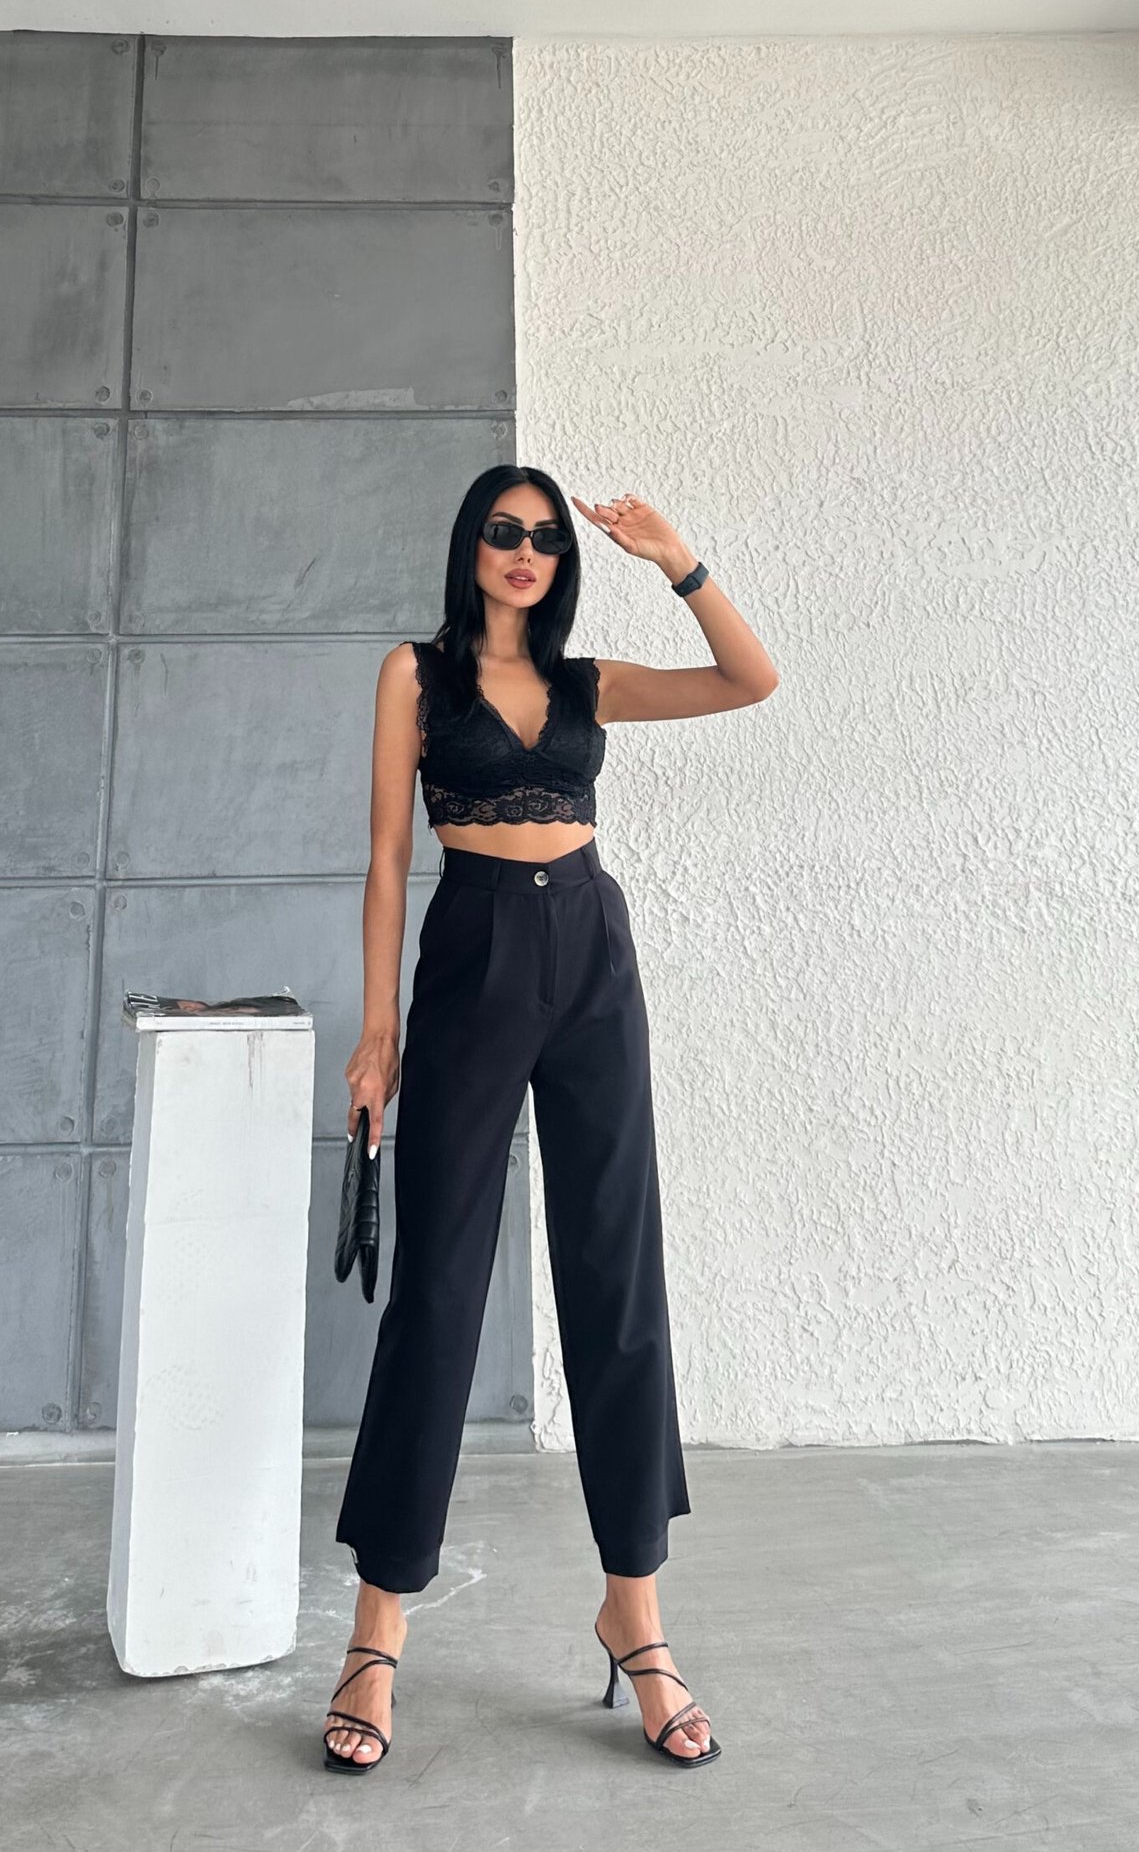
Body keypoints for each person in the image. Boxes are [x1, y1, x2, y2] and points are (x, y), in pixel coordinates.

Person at [321, 465, 779, 1773]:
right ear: (469, 546)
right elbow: (388, 858)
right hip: (471, 957)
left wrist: (678, 560)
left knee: (615, 1281)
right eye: (501, 531)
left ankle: (636, 1611)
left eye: (543, 536)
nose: (524, 550)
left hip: (589, 958)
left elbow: (751, 678)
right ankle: (376, 1628)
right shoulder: (415, 676)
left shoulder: (588, 685)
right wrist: (377, 1031)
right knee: (438, 1289)